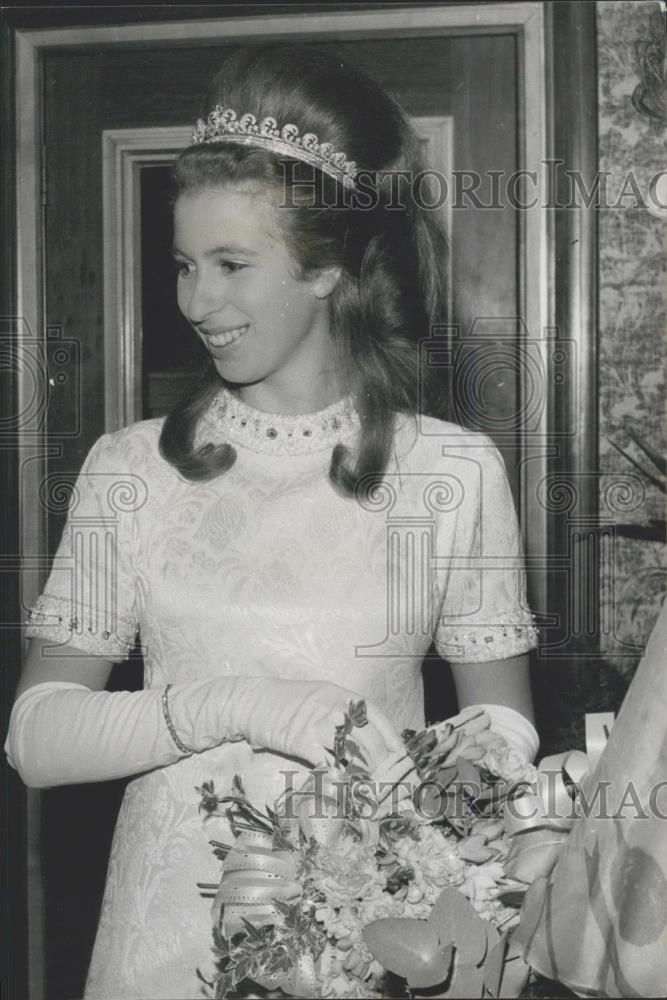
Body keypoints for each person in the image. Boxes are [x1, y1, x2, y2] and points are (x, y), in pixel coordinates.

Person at [6, 44, 539, 999]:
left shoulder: (451, 470)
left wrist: (385, 857)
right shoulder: (130, 467)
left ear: (329, 269)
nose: (195, 302)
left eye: (231, 265)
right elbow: (36, 741)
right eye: (182, 265)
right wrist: (235, 706)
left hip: (364, 936)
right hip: (162, 934)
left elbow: (499, 739)